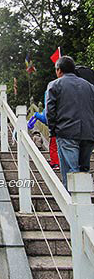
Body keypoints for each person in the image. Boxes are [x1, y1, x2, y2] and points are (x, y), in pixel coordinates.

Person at [46, 56, 94, 189]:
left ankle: (72, 204)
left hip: (66, 132)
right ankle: (84, 203)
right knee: (84, 170)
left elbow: (50, 111)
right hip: (88, 133)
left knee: (71, 170)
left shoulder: (55, 85)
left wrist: (52, 131)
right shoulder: (89, 86)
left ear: (59, 70)